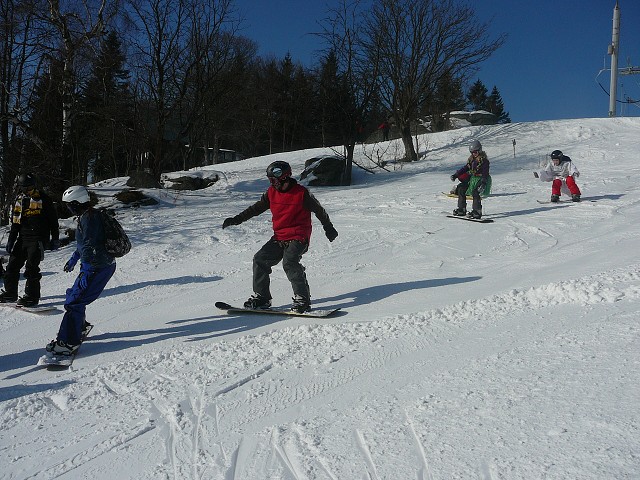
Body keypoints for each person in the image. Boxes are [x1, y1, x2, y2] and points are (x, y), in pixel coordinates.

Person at [222, 161, 338, 313]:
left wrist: (328, 228)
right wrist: (236, 219)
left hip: (299, 236)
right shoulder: (271, 193)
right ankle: (262, 297)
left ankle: (302, 299)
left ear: (285, 177)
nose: (273, 184)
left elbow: (320, 211)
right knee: (260, 259)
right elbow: (255, 209)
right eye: (270, 180)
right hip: (279, 237)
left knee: (289, 262)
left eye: (275, 180)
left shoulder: (301, 193)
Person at [45, 185, 116, 356]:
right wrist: (74, 259)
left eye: (69, 204)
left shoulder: (89, 219)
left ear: (77, 203)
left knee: (74, 302)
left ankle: (68, 342)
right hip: (96, 266)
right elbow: (83, 244)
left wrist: (87, 270)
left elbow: (90, 245)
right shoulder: (87, 216)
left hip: (97, 268)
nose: (68, 207)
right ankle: (80, 327)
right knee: (73, 296)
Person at [0, 173, 59, 307]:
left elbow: (53, 220)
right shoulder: (20, 200)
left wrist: (55, 238)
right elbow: (15, 224)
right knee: (11, 266)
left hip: (38, 238)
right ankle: (10, 293)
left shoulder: (44, 199)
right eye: (24, 188)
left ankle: (32, 297)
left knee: (31, 268)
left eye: (30, 187)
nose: (28, 190)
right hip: (23, 238)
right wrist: (11, 240)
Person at [450, 139, 491, 219]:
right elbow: (465, 168)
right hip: (473, 179)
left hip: (481, 179)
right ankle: (462, 209)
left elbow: (485, 172)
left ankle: (477, 211)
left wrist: (483, 182)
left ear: (479, 150)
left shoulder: (484, 161)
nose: (474, 154)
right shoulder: (471, 160)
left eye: (475, 152)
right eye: (472, 152)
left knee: (476, 192)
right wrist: (456, 175)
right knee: (461, 188)